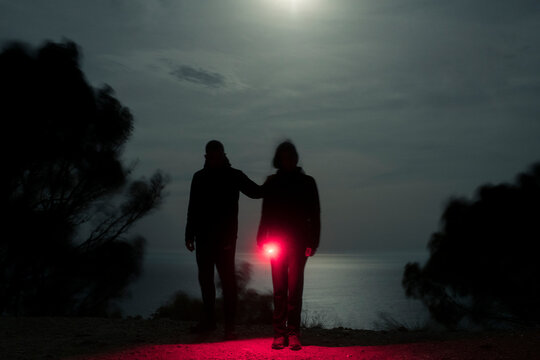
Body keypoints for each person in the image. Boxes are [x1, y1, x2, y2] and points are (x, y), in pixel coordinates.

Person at [185, 140, 262, 339]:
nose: (214, 159)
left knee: (228, 282)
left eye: (217, 155)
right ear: (206, 157)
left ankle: (229, 327)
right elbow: (193, 208)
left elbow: (255, 192)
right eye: (210, 156)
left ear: (223, 155)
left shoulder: (233, 175)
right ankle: (210, 322)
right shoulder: (199, 178)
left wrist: (274, 184)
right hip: (203, 238)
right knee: (206, 281)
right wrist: (189, 234)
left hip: (226, 240)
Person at [257, 140, 320, 350]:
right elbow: (266, 212)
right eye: (285, 157)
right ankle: (279, 333)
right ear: (279, 159)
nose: (289, 161)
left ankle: (293, 333)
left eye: (291, 156)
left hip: (299, 241)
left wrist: (313, 241)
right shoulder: (272, 182)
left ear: (295, 158)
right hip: (276, 241)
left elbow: (314, 214)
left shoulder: (308, 182)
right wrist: (261, 237)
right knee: (279, 288)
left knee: (294, 288)